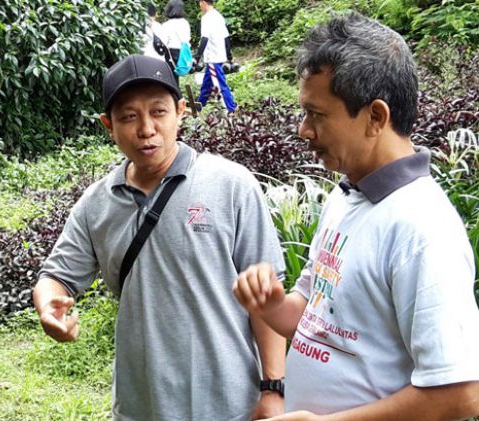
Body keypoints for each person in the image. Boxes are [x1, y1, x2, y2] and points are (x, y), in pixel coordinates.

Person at [232, 13, 479, 421]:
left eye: (317, 115)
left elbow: (461, 392)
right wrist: (272, 305)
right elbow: (318, 325)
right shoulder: (348, 196)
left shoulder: (423, 229)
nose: (302, 130)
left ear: (376, 118)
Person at [33, 54, 287, 421]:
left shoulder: (231, 185)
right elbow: (56, 277)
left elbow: (266, 294)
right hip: (142, 405)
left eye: (158, 112)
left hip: (231, 404)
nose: (146, 129)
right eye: (129, 117)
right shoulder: (97, 203)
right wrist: (48, 307)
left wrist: (273, 388)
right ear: (109, 125)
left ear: (181, 111)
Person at [195, 0, 237, 113]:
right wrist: (229, 56)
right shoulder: (218, 16)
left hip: (213, 57)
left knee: (220, 85)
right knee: (206, 85)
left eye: (199, 3)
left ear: (203, 2)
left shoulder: (207, 18)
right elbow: (226, 38)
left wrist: (197, 57)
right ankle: (198, 107)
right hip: (218, 55)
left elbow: (204, 39)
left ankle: (231, 109)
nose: (199, 6)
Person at [162, 0, 191, 68]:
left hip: (171, 53)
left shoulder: (167, 25)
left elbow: (163, 41)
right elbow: (187, 39)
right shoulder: (185, 23)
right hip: (184, 52)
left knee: (171, 74)